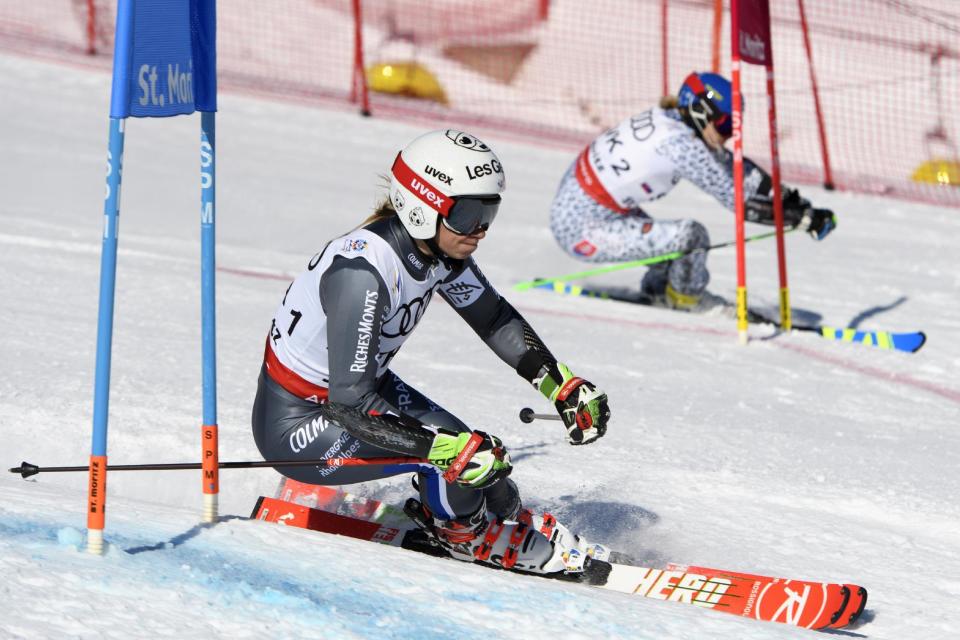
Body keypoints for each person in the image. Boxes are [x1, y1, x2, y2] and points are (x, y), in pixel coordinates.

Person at [252, 129, 611, 576]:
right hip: (300, 422)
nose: (480, 229)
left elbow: (493, 318)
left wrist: (561, 385)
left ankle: (489, 515)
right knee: (458, 457)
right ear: (423, 206)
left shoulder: (438, 251)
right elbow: (349, 405)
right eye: (469, 214)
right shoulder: (364, 272)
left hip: (360, 391)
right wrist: (446, 452)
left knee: (480, 460)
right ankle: (467, 537)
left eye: (489, 212)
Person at [549, 71, 837, 310]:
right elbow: (740, 202)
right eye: (725, 125)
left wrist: (787, 198)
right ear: (701, 111)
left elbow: (735, 168)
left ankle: (660, 288)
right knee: (691, 237)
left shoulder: (669, 117)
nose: (731, 134)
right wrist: (801, 218)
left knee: (672, 243)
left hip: (584, 205)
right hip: (582, 227)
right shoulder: (682, 146)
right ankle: (686, 299)